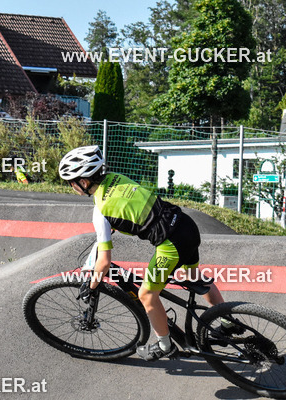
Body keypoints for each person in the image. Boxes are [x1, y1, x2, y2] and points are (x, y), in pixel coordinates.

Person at [58, 145, 224, 361]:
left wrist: (92, 286)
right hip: (185, 225)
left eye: (72, 183)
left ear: (85, 182)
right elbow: (130, 210)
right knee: (194, 277)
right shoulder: (117, 178)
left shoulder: (100, 211)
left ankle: (165, 346)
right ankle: (228, 322)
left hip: (171, 244)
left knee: (146, 294)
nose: (72, 187)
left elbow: (104, 262)